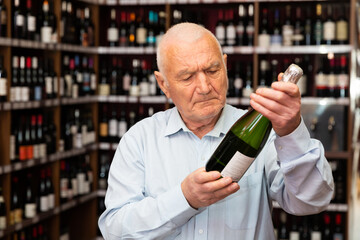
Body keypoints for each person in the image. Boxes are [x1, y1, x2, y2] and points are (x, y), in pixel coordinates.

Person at [98, 23, 334, 239]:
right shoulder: (139, 140)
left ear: (225, 65)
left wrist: (291, 132)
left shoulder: (267, 131)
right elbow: (116, 230)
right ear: (163, 84)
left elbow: (312, 201)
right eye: (187, 77)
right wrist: (184, 199)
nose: (204, 87)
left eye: (212, 70)